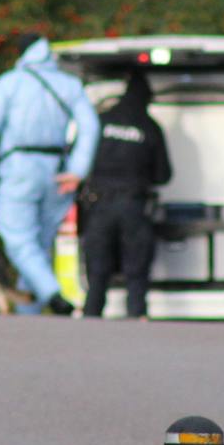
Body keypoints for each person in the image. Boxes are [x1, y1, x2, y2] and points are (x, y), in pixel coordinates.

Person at [0, 35, 99, 315]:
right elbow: (91, 127)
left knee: (19, 240)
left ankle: (52, 294)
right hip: (58, 173)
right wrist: (77, 170)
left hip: (19, 169)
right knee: (40, 245)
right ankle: (30, 315)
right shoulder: (69, 84)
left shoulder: (10, 82)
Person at [78, 71, 172, 319]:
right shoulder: (150, 127)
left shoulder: (101, 120)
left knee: (97, 269)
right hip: (134, 205)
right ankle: (136, 317)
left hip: (99, 205)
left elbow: (81, 158)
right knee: (136, 269)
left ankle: (91, 317)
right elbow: (163, 175)